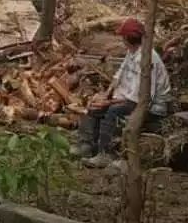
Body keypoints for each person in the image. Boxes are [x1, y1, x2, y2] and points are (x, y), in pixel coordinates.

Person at [73, 18, 173, 169]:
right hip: (131, 97)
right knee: (95, 107)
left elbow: (140, 97)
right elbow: (119, 75)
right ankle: (86, 145)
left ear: (129, 38)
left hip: (151, 104)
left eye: (123, 37)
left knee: (113, 112)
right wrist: (106, 95)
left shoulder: (147, 58)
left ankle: (105, 154)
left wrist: (109, 102)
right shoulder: (132, 52)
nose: (122, 40)